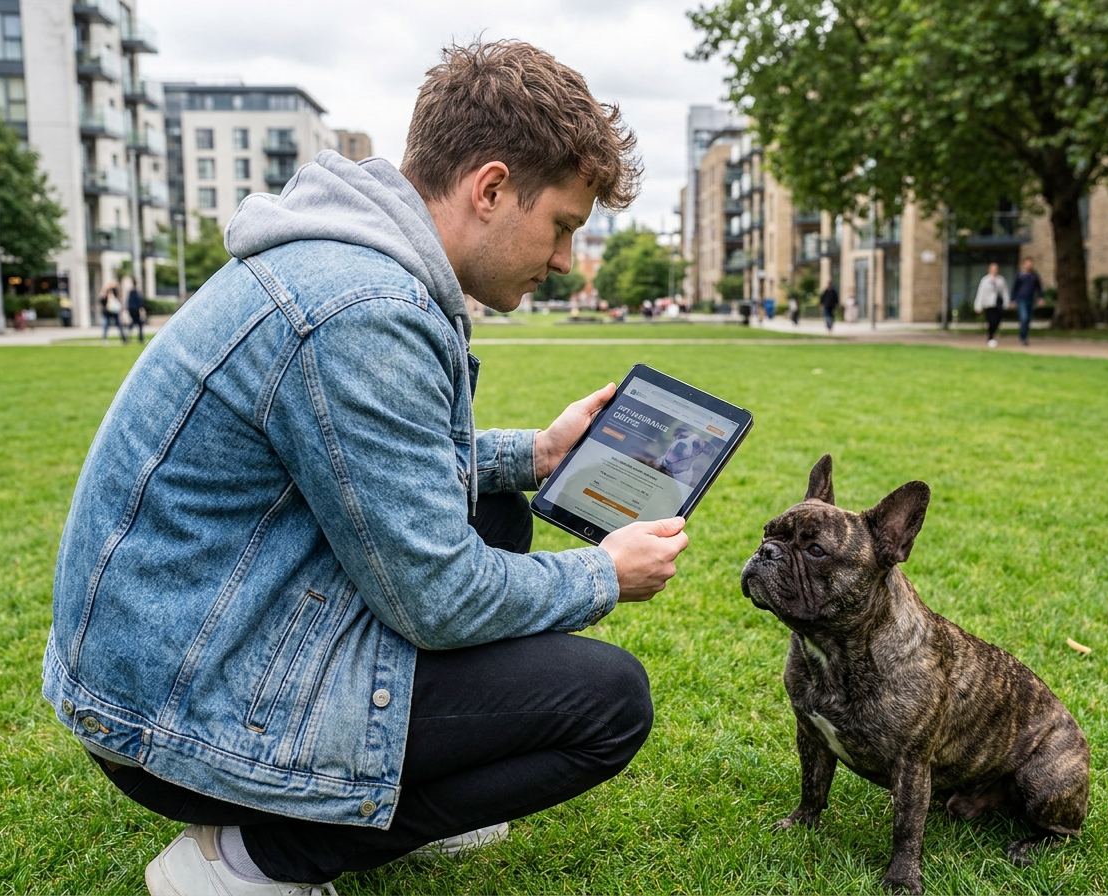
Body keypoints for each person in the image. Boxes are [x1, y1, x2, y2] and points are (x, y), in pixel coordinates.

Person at [44, 41, 687, 896]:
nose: (566, 258)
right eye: (563, 225)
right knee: (607, 705)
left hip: (183, 648)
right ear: (491, 188)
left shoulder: (355, 265)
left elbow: (378, 467)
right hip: (171, 714)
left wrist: (531, 456)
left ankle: (367, 799)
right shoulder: (365, 308)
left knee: (496, 513)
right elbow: (439, 595)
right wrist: (605, 573)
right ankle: (251, 864)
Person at [973, 262, 1010, 347]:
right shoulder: (985, 280)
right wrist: (978, 305)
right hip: (988, 303)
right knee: (991, 321)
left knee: (998, 319)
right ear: (989, 270)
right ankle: (990, 337)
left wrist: (1006, 302)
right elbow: (980, 293)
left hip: (998, 302)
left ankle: (992, 334)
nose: (994, 271)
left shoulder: (1001, 280)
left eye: (996, 269)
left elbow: (1005, 292)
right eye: (993, 269)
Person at [1010, 258, 1044, 346]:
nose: (1029, 266)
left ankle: (1025, 335)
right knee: (1024, 318)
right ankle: (1023, 338)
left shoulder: (1034, 276)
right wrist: (1013, 300)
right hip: (1021, 300)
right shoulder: (1020, 276)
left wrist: (1040, 298)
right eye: (1027, 264)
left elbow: (1039, 288)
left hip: (1031, 300)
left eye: (1030, 264)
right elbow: (1014, 288)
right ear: (1024, 264)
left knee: (1028, 319)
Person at [100, 279, 127, 343]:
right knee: (106, 325)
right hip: (108, 312)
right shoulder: (106, 292)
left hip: (114, 311)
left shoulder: (115, 291)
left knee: (118, 325)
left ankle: (123, 338)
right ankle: (104, 338)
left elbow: (118, 300)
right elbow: (102, 300)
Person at [126, 279, 146, 343]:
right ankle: (140, 338)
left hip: (132, 310)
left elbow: (129, 302)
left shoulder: (131, 292)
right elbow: (138, 302)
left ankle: (138, 337)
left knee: (135, 323)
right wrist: (140, 309)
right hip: (135, 310)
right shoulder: (135, 292)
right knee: (139, 323)